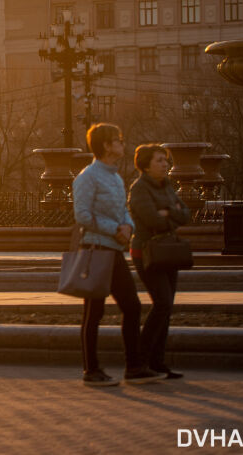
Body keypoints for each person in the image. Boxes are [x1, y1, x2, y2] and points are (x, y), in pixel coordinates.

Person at [72, 123, 165, 387]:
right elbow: (82, 215)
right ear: (105, 146)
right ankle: (91, 370)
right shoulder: (87, 177)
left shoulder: (114, 177)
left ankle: (134, 367)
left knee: (132, 306)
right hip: (95, 250)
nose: (123, 144)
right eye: (118, 140)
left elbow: (124, 210)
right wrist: (115, 229)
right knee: (94, 311)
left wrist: (128, 227)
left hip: (113, 250)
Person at [128, 144, 191, 380]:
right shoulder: (139, 188)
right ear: (145, 164)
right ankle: (141, 359)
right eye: (159, 160)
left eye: (166, 160)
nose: (165, 164)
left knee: (167, 306)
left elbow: (185, 214)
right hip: (146, 252)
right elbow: (150, 219)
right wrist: (168, 213)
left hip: (169, 251)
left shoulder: (167, 186)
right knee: (162, 303)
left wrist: (168, 213)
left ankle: (157, 361)